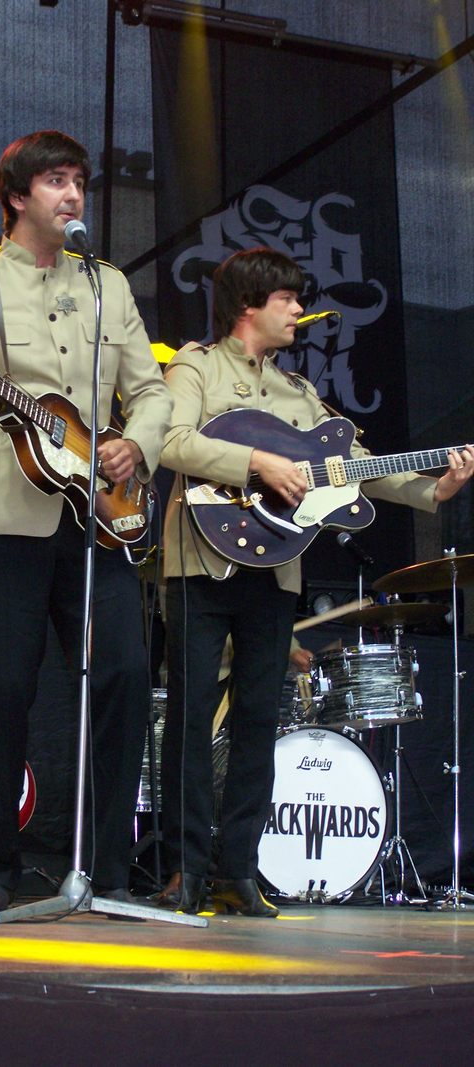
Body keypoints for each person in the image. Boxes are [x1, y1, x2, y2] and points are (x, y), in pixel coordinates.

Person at [156, 246, 474, 916]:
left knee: (257, 720)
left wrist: (433, 488)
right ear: (250, 305)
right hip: (201, 561)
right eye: (288, 299)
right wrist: (259, 462)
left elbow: (360, 465)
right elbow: (172, 441)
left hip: (275, 571)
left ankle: (238, 871)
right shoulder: (196, 366)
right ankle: (184, 867)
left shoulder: (299, 393)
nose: (299, 310)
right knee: (189, 713)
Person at [0, 130, 172, 916]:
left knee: (123, 673)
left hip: (95, 518)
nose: (74, 194)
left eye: (80, 181)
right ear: (18, 195)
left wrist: (135, 445)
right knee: (1, 686)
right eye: (56, 180)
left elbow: (151, 392)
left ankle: (112, 871)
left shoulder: (106, 285)